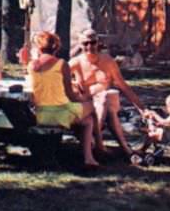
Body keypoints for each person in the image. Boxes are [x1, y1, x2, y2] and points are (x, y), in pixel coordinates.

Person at [25, 31, 99, 168]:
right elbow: (70, 95)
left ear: (38, 47)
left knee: (87, 121)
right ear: (56, 47)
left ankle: (90, 155)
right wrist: (84, 98)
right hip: (61, 113)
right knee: (92, 106)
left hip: (41, 114)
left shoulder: (31, 66)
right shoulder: (61, 64)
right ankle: (96, 149)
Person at [69, 29, 146, 158]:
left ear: (98, 43)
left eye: (92, 43)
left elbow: (124, 86)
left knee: (106, 101)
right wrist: (73, 83)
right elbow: (58, 77)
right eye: (85, 43)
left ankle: (97, 143)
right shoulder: (76, 62)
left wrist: (142, 109)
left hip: (103, 103)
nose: (89, 47)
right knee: (108, 106)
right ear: (80, 45)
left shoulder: (107, 61)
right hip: (86, 105)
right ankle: (124, 149)